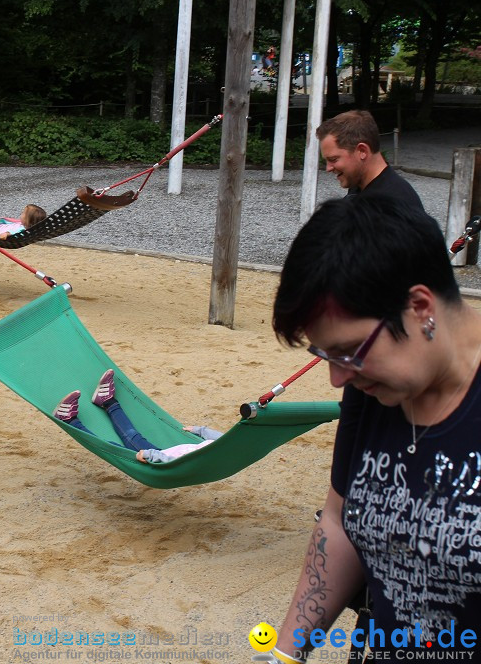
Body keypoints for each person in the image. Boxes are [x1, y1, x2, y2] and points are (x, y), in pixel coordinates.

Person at [270, 195, 481, 662]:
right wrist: (282, 655)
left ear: (420, 308)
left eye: (346, 351)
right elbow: (339, 521)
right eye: (325, 356)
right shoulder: (375, 388)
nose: (338, 377)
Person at [51, 370, 222, 463]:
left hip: (161, 461)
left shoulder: (227, 452)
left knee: (114, 446)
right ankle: (108, 402)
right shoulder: (235, 444)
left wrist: (151, 455)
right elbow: (225, 439)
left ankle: (70, 420)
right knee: (132, 434)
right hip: (165, 453)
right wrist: (201, 431)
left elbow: (183, 463)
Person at [315, 109, 424, 211]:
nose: (328, 168)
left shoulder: (393, 206)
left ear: (362, 151)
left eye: (333, 159)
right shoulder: (359, 184)